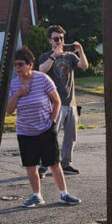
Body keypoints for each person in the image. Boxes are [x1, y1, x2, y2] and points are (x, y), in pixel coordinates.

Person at [6, 46, 80, 208]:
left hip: (45, 129)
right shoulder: (14, 84)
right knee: (31, 166)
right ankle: (36, 195)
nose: (17, 68)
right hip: (25, 132)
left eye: (20, 64)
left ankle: (64, 194)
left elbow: (57, 101)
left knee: (54, 163)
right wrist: (18, 93)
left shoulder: (42, 79)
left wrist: (52, 122)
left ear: (30, 64)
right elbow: (9, 111)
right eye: (15, 65)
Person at [37, 25, 88, 178]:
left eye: (61, 38)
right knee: (51, 135)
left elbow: (84, 66)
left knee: (71, 136)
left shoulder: (70, 56)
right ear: (50, 40)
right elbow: (41, 71)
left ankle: (66, 164)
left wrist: (80, 50)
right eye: (56, 39)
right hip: (54, 103)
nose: (59, 41)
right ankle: (43, 165)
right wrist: (54, 56)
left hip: (70, 102)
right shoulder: (46, 56)